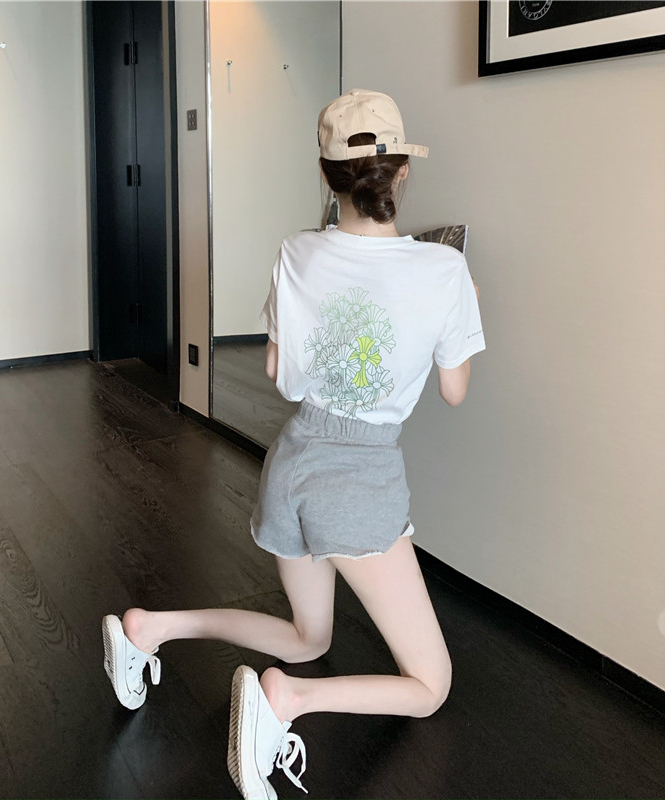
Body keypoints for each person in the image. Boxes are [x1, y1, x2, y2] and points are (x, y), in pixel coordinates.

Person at [102, 89, 485, 800]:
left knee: (310, 636)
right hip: (360, 480)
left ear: (326, 174)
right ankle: (289, 701)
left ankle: (148, 628)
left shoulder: (298, 252)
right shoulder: (443, 269)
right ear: (402, 172)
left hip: (292, 464)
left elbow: (280, 375)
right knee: (431, 683)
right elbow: (455, 390)